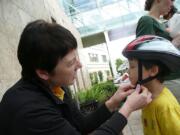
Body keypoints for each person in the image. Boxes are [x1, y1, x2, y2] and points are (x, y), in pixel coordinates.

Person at [0, 20, 152, 135]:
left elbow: (81, 124)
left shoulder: (56, 87)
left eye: (76, 58)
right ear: (43, 73)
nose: (79, 65)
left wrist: (113, 102)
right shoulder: (29, 111)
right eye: (71, 62)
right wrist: (128, 108)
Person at [122, 35, 180, 135]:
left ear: (153, 70)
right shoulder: (147, 99)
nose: (128, 71)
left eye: (132, 66)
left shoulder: (165, 107)